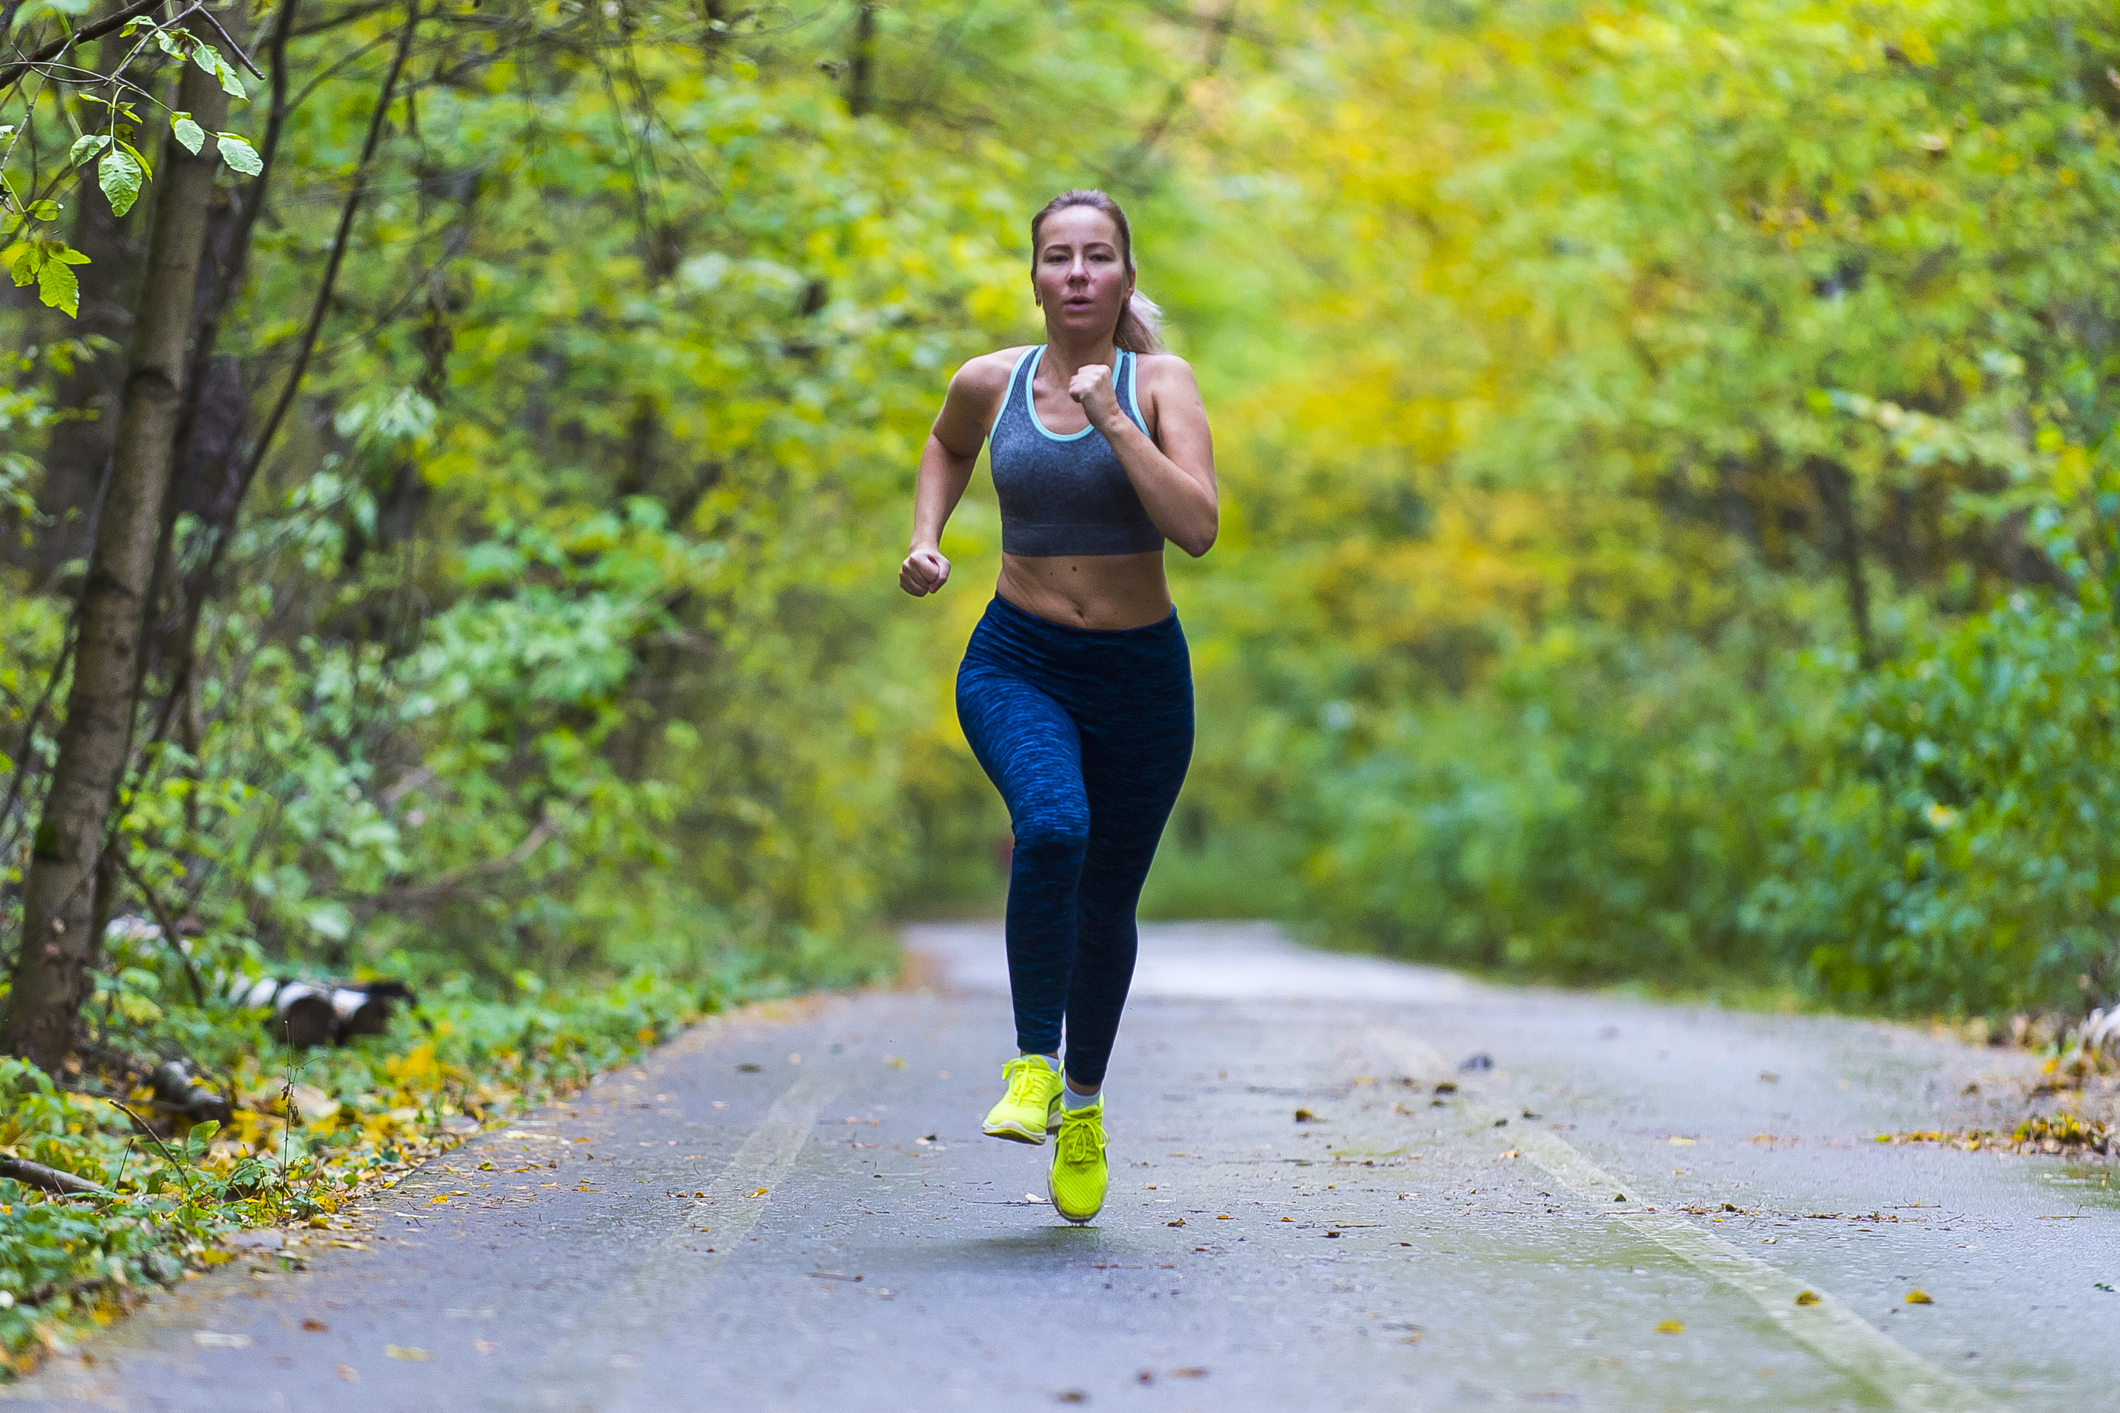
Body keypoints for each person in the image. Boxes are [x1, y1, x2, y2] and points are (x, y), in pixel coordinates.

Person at [899, 189, 1218, 1224]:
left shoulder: (1159, 383)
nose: (1075, 273)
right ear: (1033, 276)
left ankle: (1080, 1108)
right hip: (1017, 657)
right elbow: (944, 446)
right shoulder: (986, 383)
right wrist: (927, 535)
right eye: (1056, 257)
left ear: (1123, 276)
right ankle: (1032, 1064)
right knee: (1049, 826)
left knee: (1105, 900)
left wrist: (1114, 419)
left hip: (1138, 678)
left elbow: (1198, 526)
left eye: (1096, 257)